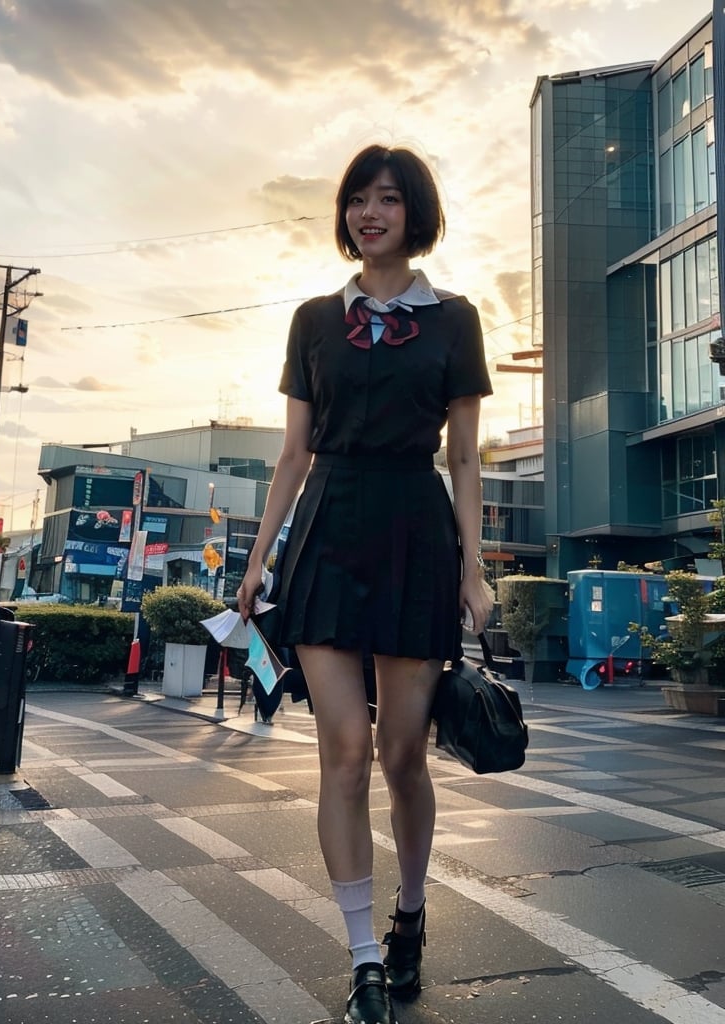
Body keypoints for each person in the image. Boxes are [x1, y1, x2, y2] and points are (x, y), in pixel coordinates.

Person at [237, 143, 493, 1024]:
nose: (369, 213)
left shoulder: (455, 320)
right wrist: (258, 558)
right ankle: (365, 958)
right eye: (357, 199)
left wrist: (475, 569)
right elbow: (293, 455)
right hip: (328, 528)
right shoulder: (313, 320)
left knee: (401, 756)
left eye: (387, 199)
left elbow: (463, 454)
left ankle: (411, 912)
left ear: (414, 213)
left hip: (416, 531)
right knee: (343, 755)